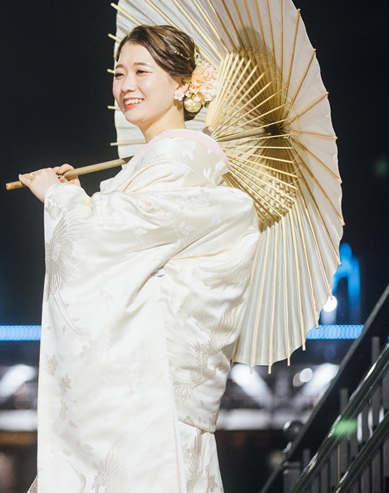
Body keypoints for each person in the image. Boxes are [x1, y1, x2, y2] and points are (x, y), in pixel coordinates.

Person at [17, 25, 260, 492]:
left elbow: (102, 238)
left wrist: (60, 199)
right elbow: (124, 234)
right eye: (119, 73)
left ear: (183, 84)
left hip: (149, 402)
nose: (126, 85)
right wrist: (81, 198)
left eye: (142, 72)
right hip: (151, 399)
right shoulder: (158, 166)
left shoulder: (177, 164)